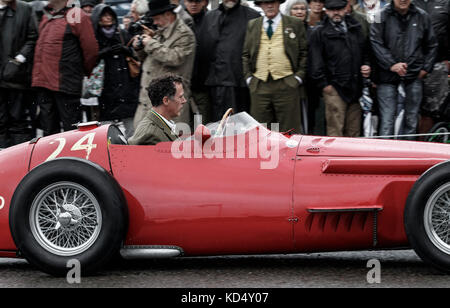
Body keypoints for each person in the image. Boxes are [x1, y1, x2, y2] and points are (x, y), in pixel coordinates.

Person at [370, 0, 438, 139]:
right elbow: (374, 42)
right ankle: (384, 157)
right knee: (387, 120)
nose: (403, 0)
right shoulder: (378, 15)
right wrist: (391, 64)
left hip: (414, 75)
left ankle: (409, 157)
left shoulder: (423, 16)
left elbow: (432, 44)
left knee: (412, 119)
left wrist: (426, 68)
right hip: (386, 75)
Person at [32, 0, 98, 136]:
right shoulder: (47, 15)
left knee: (72, 132)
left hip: (65, 84)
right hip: (44, 84)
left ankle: (72, 157)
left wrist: (81, 72)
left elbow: (91, 50)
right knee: (49, 133)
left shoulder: (76, 14)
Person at [242, 0, 308, 133]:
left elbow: (304, 53)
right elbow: (246, 54)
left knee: (290, 130)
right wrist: (249, 78)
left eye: (273, 2)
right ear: (260, 5)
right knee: (259, 131)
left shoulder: (295, 23)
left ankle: (290, 154)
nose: (269, 6)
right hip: (259, 83)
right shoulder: (253, 25)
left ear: (279, 4)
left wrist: (298, 78)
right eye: (265, 3)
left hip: (287, 83)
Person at [309, 0, 371, 137]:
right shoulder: (319, 32)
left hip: (355, 87)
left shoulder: (356, 28)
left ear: (346, 9)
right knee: (335, 131)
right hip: (334, 88)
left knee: (354, 132)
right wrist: (325, 85)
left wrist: (367, 65)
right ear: (326, 11)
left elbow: (366, 52)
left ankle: (352, 159)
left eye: (339, 9)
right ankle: (333, 158)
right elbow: (315, 62)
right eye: (332, 9)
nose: (336, 12)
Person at [131, 0, 196, 129]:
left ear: (168, 14)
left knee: (167, 146)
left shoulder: (184, 34)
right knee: (141, 144)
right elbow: (150, 59)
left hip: (169, 106)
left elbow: (174, 58)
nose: (154, 22)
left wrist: (150, 43)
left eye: (157, 18)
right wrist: (139, 47)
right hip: (148, 104)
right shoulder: (160, 32)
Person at [199, 0, 260, 122]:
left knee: (242, 128)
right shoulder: (210, 16)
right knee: (219, 127)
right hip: (215, 84)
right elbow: (203, 49)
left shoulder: (253, 16)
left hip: (241, 84)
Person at [91, 4, 140, 138]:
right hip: (106, 89)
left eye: (110, 15)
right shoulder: (93, 38)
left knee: (131, 128)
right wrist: (104, 53)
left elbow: (137, 55)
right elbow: (89, 59)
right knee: (107, 131)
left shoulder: (122, 33)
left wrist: (126, 50)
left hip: (126, 86)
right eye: (104, 15)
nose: (108, 18)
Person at [0, 0, 38, 148]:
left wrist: (17, 61)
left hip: (17, 77)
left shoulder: (25, 9)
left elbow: (33, 37)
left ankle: (20, 161)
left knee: (19, 120)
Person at [414, 0, 449, 136]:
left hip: (437, 65)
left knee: (431, 112)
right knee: (408, 111)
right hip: (410, 66)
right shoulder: (407, 3)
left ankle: (425, 147)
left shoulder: (445, 3)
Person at [128, 75, 186, 145]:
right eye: (180, 97)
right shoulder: (150, 135)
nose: (184, 101)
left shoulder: (161, 124)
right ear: (166, 100)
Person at [185, 0, 210, 124]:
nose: (193, 4)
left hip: (204, 85)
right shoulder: (178, 22)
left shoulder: (211, 20)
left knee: (204, 126)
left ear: (204, 2)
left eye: (197, 1)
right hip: (183, 86)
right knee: (183, 128)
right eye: (190, 1)